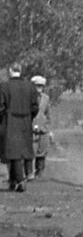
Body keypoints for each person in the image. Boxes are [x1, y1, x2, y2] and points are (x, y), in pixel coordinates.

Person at [0, 62, 41, 192]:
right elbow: (35, 107)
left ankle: (20, 180)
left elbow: (1, 107)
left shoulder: (4, 87)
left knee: (13, 152)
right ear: (20, 71)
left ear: (10, 70)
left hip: (9, 121)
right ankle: (13, 181)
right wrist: (29, 118)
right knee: (19, 152)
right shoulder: (30, 87)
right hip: (25, 122)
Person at [29, 75, 51, 179]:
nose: (39, 88)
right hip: (31, 127)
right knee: (31, 151)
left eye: (41, 86)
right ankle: (29, 172)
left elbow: (48, 114)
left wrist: (48, 128)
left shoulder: (46, 98)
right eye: (37, 85)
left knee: (42, 151)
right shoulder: (27, 97)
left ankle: (40, 172)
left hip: (43, 128)